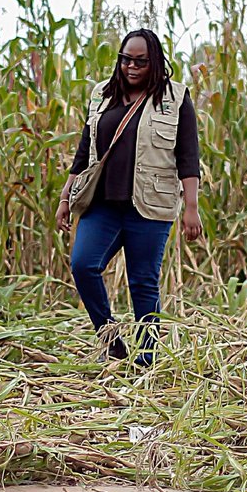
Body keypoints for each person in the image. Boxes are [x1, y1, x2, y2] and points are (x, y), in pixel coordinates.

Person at [56, 28, 201, 365]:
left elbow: (188, 157)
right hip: (102, 203)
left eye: (140, 61)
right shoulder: (101, 96)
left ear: (155, 63)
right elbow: (84, 153)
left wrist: (191, 207)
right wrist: (65, 198)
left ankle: (146, 360)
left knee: (143, 281)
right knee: (83, 265)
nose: (131, 67)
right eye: (126, 60)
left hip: (150, 204)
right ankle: (110, 338)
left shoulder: (176, 98)